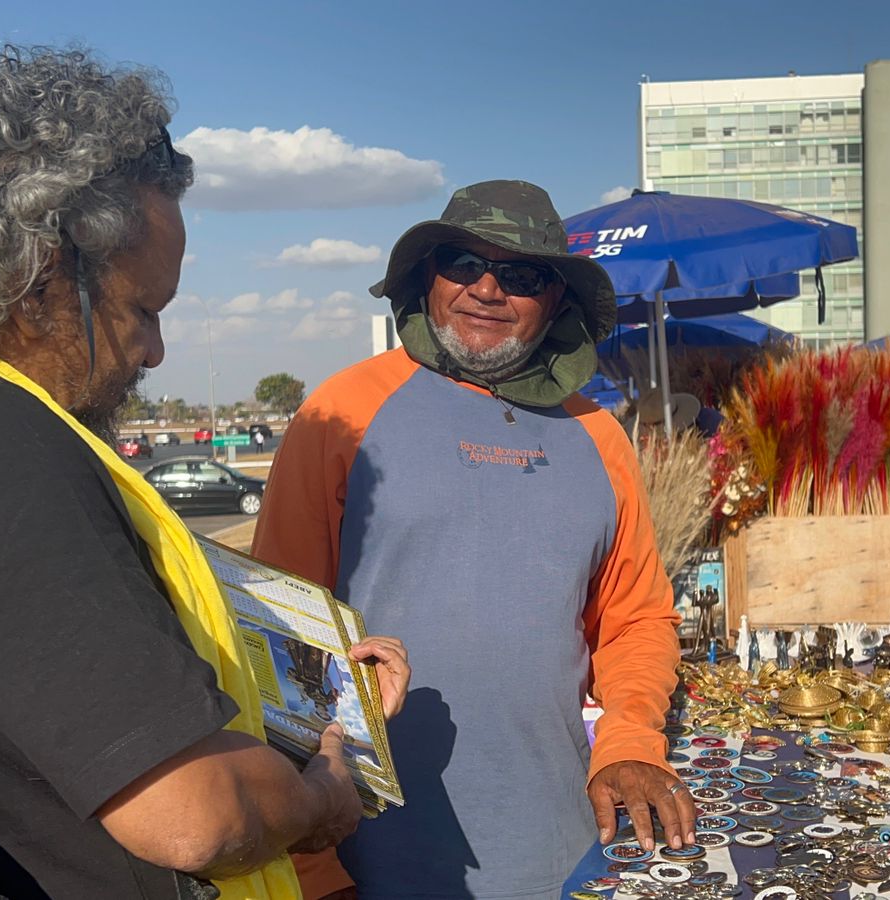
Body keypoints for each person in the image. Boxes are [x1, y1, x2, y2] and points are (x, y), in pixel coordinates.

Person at [0, 46, 408, 900]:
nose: (155, 350)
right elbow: (193, 814)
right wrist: (321, 795)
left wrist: (325, 698)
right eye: (143, 310)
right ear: (43, 278)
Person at [254, 180, 690, 899]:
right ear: (427, 276)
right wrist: (312, 868)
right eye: (462, 262)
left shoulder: (599, 437)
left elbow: (636, 619)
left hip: (563, 846)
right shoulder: (342, 413)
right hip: (367, 855)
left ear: (556, 300)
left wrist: (629, 743)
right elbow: (277, 636)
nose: (486, 288)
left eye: (521, 276)